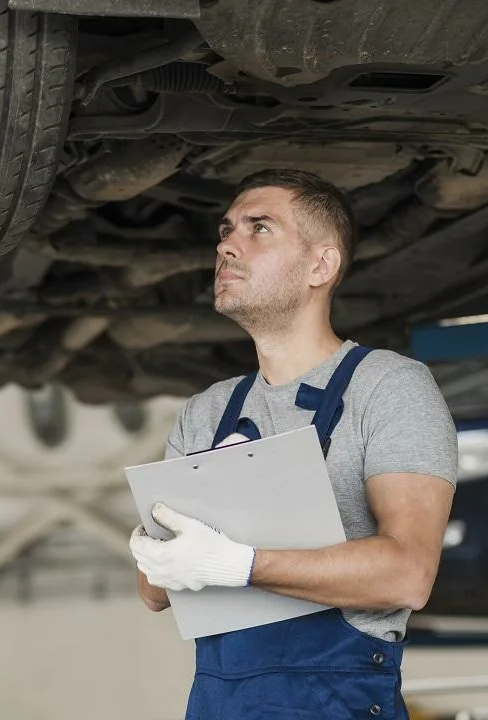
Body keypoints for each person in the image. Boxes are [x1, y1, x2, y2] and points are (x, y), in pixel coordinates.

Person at [128, 168, 459, 720]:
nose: (226, 245)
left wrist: (239, 565)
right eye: (226, 229)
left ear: (320, 266)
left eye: (259, 229)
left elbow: (408, 575)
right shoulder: (206, 412)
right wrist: (152, 550)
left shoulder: (387, 386)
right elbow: (154, 594)